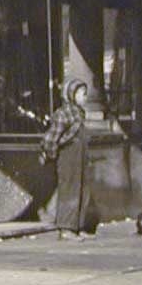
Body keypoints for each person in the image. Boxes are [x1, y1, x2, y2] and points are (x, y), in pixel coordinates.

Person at [40, 77, 95, 239]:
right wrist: (50, 154)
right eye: (82, 94)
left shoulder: (80, 113)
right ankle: (66, 228)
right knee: (69, 190)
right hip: (68, 157)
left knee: (83, 189)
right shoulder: (63, 113)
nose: (85, 98)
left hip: (81, 158)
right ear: (72, 95)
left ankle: (78, 226)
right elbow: (51, 138)